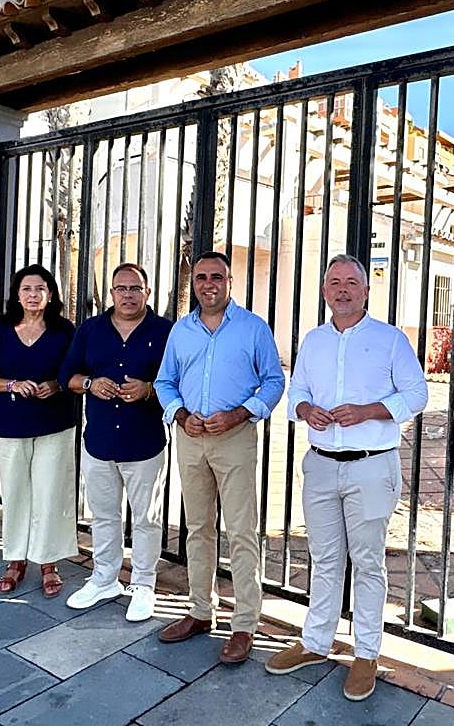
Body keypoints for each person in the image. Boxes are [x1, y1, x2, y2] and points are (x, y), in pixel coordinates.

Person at [265, 254, 428, 701]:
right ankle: (316, 642)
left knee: (368, 561)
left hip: (372, 465)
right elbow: (297, 390)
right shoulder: (313, 341)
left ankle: (367, 653)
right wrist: (304, 410)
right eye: (333, 282)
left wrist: (368, 411)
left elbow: (417, 393)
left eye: (351, 282)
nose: (342, 290)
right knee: (324, 557)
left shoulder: (390, 340)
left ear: (365, 290)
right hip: (320, 463)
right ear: (323, 291)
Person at [153, 250, 285, 664]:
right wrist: (178, 413)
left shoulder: (252, 328)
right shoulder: (182, 330)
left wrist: (240, 413)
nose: (208, 284)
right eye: (200, 278)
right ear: (193, 284)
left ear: (230, 282)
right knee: (197, 529)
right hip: (191, 439)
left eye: (217, 277)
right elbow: (164, 380)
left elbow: (274, 381)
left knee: (242, 531)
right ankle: (199, 611)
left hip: (235, 438)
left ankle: (245, 623)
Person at [58, 263, 173, 621]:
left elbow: (181, 380)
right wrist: (91, 384)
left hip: (145, 443)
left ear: (147, 293)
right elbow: (66, 376)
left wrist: (150, 389)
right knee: (103, 516)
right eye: (121, 288)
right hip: (100, 441)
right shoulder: (91, 329)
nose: (127, 294)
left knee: (147, 520)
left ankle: (143, 584)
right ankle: (105, 577)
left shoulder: (166, 331)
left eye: (135, 288)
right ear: (111, 293)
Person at [0, 264, 78, 598]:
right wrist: (12, 384)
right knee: (16, 493)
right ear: (17, 294)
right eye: (26, 289)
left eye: (40, 289)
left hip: (54, 424)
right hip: (9, 422)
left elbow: (76, 374)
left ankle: (48, 563)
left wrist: (55, 385)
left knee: (50, 493)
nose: (33, 295)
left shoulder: (64, 331)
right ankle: (15, 560)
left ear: (50, 294)